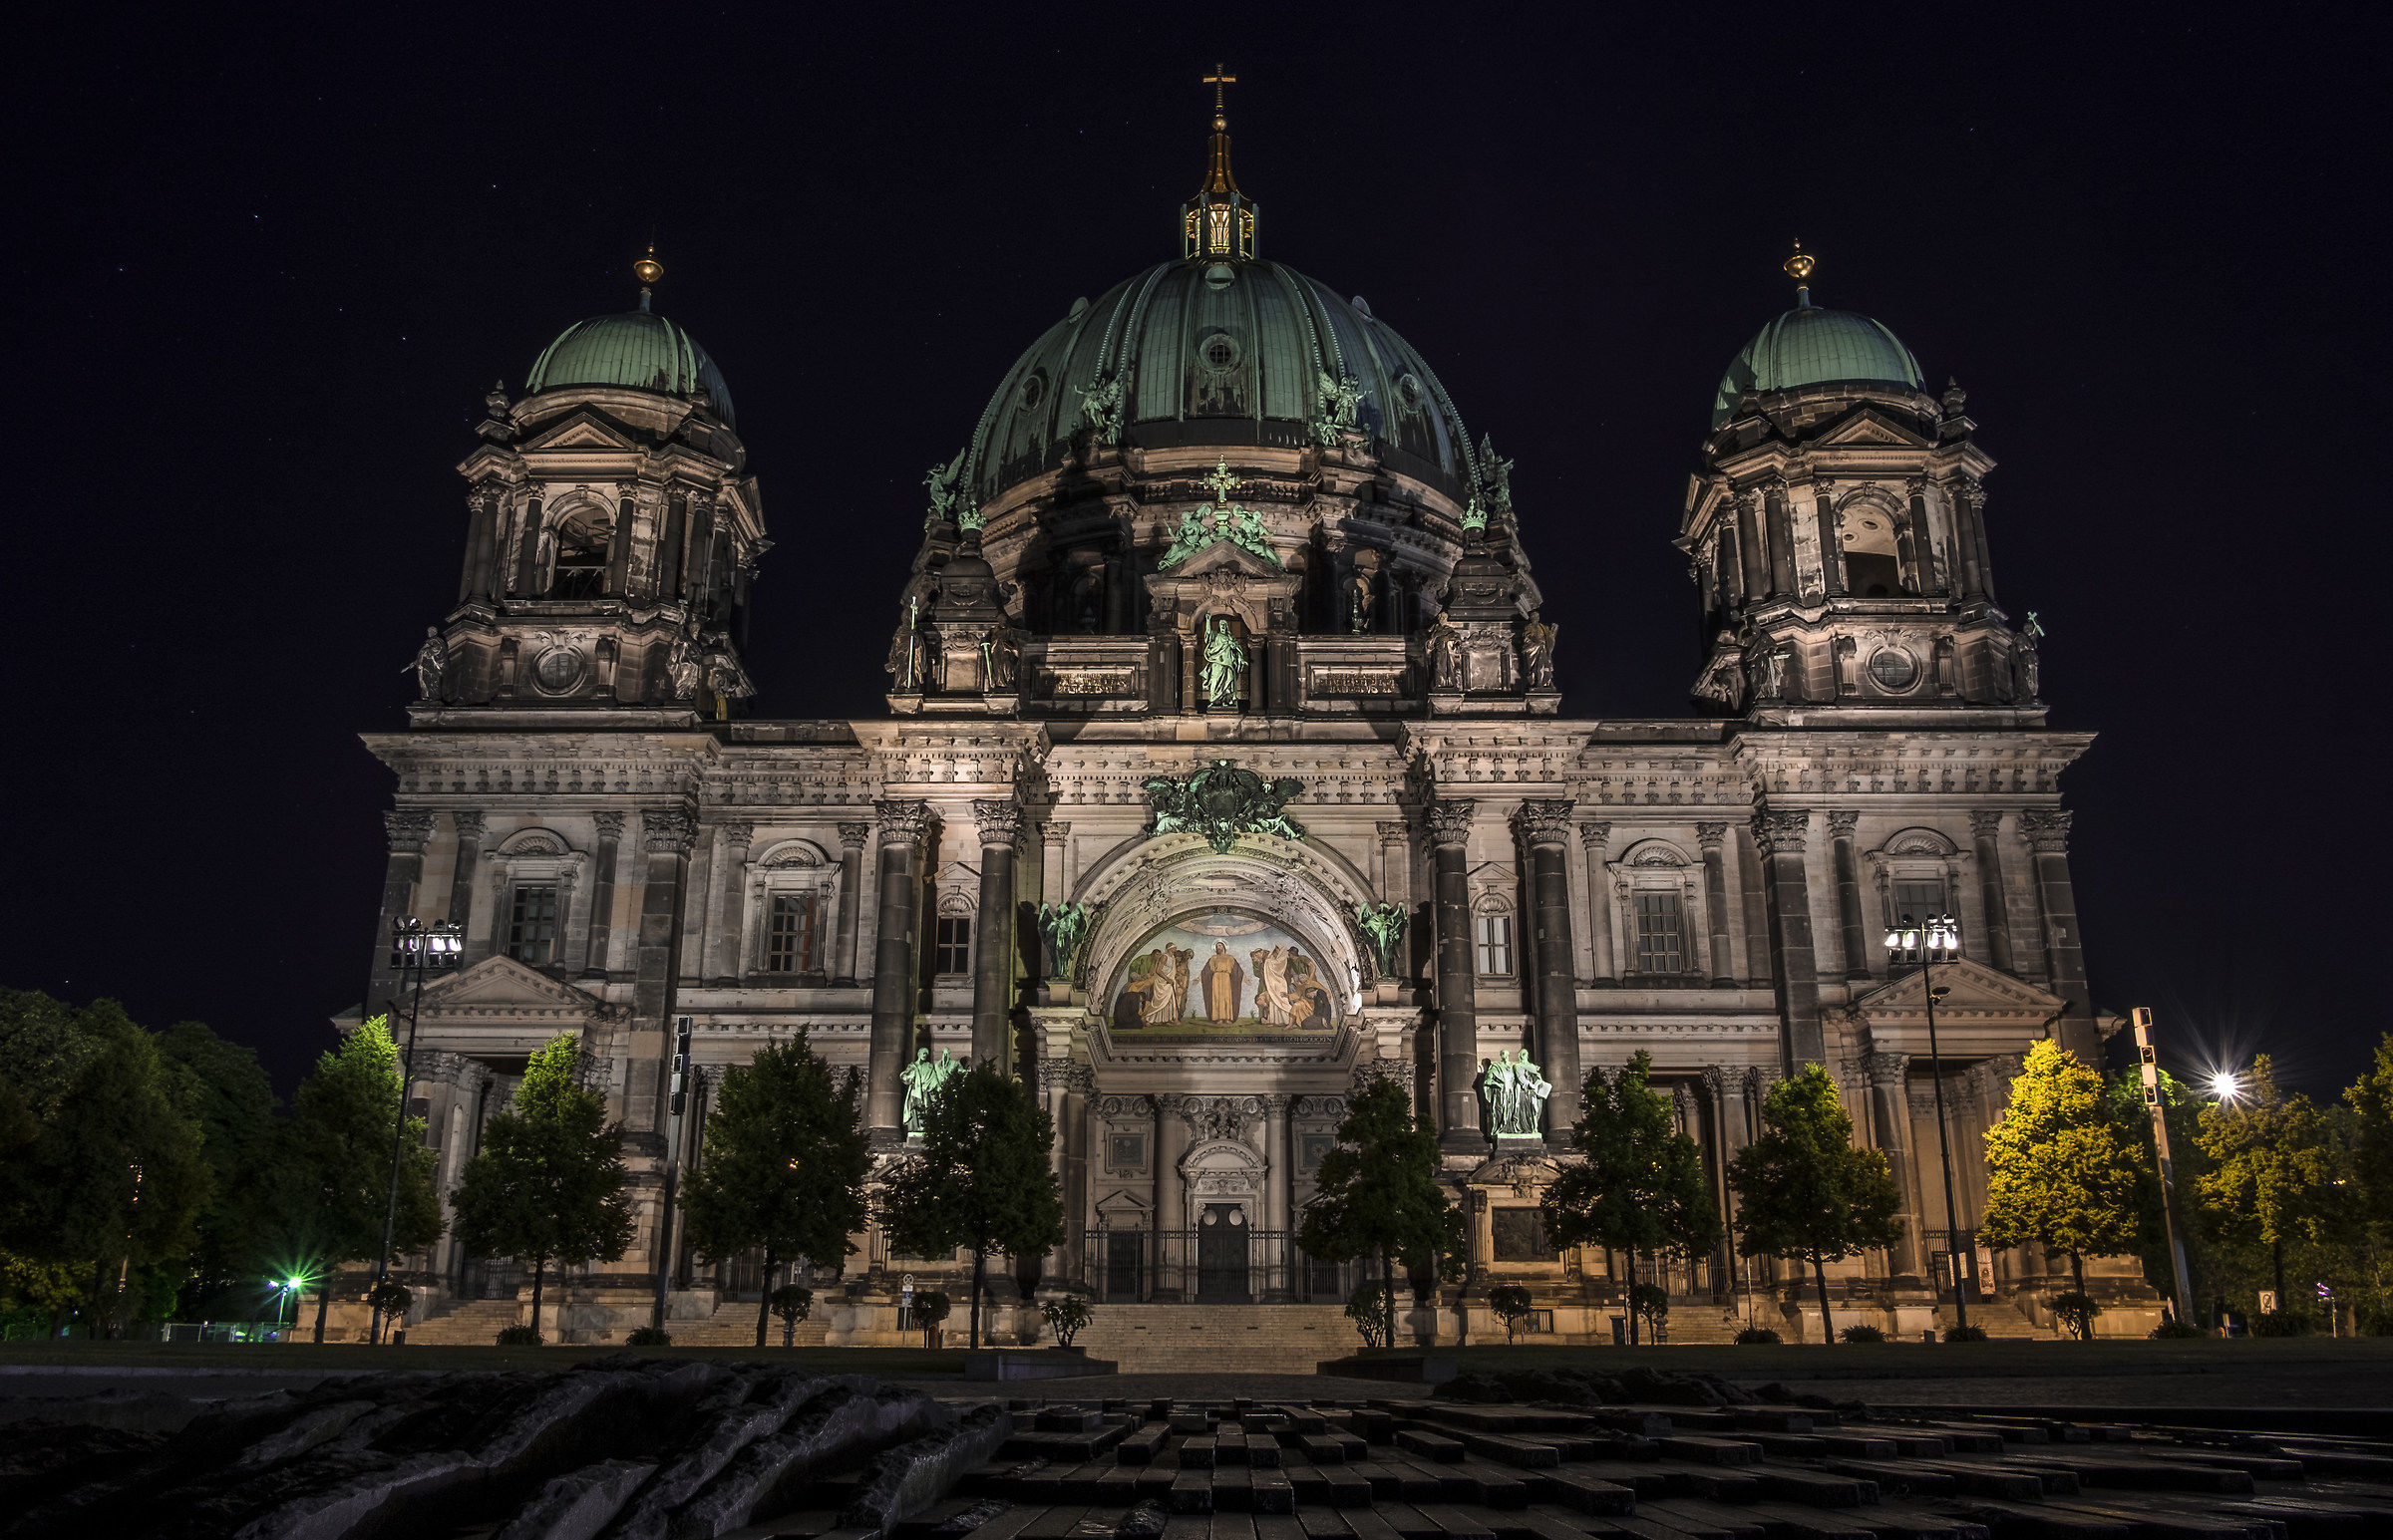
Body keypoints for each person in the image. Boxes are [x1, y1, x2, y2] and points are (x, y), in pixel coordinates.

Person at [1201, 942, 1246, 1022]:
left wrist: (1245, 978)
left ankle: (1227, 1018)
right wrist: (1199, 978)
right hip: (1216, 977)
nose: (1218, 947)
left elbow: (1237, 970)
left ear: (1224, 947)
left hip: (1226, 977)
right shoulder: (1214, 958)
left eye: (1220, 945)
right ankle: (1218, 1018)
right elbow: (1206, 970)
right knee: (1217, 997)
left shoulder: (1230, 958)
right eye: (1217, 946)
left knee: (1227, 997)